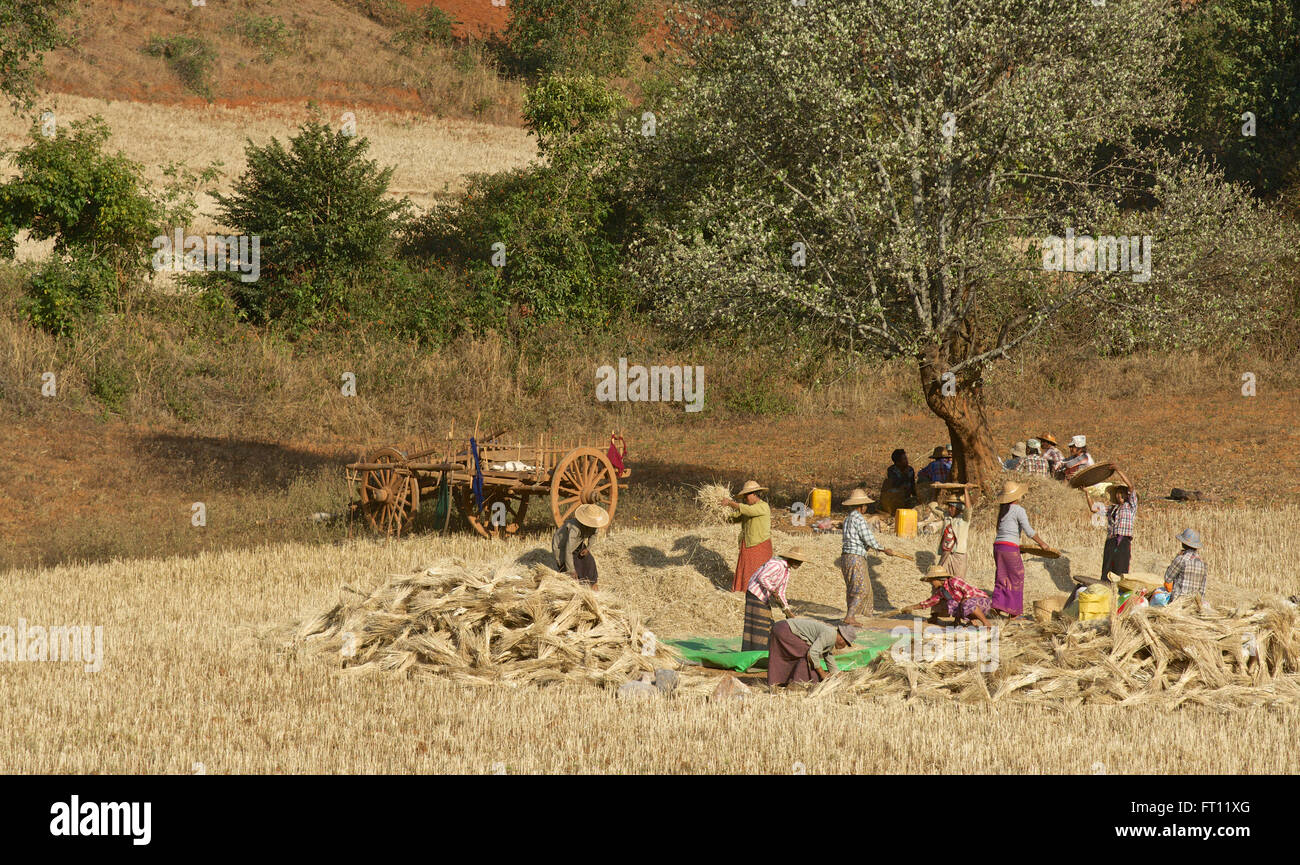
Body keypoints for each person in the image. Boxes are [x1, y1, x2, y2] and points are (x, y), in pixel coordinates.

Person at [990, 480, 1056, 618]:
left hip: (998, 547)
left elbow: (1003, 531)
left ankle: (997, 605)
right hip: (1009, 547)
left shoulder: (1003, 510)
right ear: (1017, 496)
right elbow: (1028, 531)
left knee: (1002, 576)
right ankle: (1013, 612)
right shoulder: (1019, 510)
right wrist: (1043, 544)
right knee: (1016, 577)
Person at [840, 488, 902, 625]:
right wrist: (883, 549)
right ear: (861, 506)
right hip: (855, 557)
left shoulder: (847, 519)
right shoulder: (859, 519)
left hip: (845, 557)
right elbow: (868, 539)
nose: (866, 507)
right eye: (865, 505)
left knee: (852, 587)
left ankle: (856, 616)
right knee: (861, 589)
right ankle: (850, 616)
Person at [741, 547, 807, 652]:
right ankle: (755, 651)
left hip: (764, 596)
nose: (799, 564)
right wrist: (772, 590)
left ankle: (761, 650)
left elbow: (781, 592)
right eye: (798, 561)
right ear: (791, 559)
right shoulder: (777, 564)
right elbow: (762, 577)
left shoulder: (787, 572)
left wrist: (786, 609)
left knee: (767, 623)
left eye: (801, 562)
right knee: (760, 623)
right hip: (755, 593)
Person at [767, 618, 855, 687]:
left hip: (779, 627)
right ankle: (799, 682)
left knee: (793, 654)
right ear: (841, 638)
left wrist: (836, 673)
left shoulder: (831, 636)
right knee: (806, 652)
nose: (844, 647)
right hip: (785, 629)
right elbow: (812, 654)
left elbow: (828, 656)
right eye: (846, 644)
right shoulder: (830, 635)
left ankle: (779, 681)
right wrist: (822, 674)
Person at [902, 564, 993, 627]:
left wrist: (964, 600)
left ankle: (986, 623)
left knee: (965, 603)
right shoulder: (942, 591)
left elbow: (969, 591)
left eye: (932, 581)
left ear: (937, 579)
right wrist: (911, 607)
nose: (932, 584)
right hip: (970, 605)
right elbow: (930, 602)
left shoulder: (954, 581)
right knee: (952, 603)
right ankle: (970, 622)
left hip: (982, 603)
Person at [724, 480, 772, 593]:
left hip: (760, 545)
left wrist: (730, 503)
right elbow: (734, 518)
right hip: (748, 544)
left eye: (747, 495)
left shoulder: (763, 507)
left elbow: (749, 511)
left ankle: (757, 594)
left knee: (758, 571)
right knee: (745, 569)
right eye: (744, 496)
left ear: (755, 494)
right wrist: (722, 513)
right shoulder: (746, 508)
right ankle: (743, 592)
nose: (746, 498)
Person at [552, 503, 610, 590]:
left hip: (577, 543)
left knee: (589, 561)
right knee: (573, 573)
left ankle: (592, 584)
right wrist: (571, 570)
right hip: (562, 546)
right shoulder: (575, 529)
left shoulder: (594, 525)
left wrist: (588, 548)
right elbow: (568, 550)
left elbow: (593, 535)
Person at [1100, 469, 1137, 581]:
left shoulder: (1130, 506)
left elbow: (1131, 486)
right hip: (1111, 540)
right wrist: (1086, 492)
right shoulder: (1112, 508)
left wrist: (1117, 470)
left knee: (1120, 567)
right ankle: (1105, 588)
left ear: (1126, 495)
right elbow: (1094, 509)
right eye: (1117, 492)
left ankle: (1118, 592)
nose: (1119, 494)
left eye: (1121, 492)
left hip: (1123, 540)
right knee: (1107, 567)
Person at [937, 487, 972, 580]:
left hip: (958, 554)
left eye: (952, 507)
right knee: (942, 579)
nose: (949, 509)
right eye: (948, 507)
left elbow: (968, 509)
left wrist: (966, 491)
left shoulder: (964, 519)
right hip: (946, 554)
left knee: (958, 581)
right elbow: (932, 506)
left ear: (958, 508)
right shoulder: (946, 517)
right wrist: (938, 487)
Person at [1163, 528, 1208, 601]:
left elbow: (1168, 578)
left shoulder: (1181, 559)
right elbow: (1202, 591)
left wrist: (1176, 558)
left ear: (1183, 543)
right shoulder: (1203, 564)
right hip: (1194, 604)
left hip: (1178, 602)